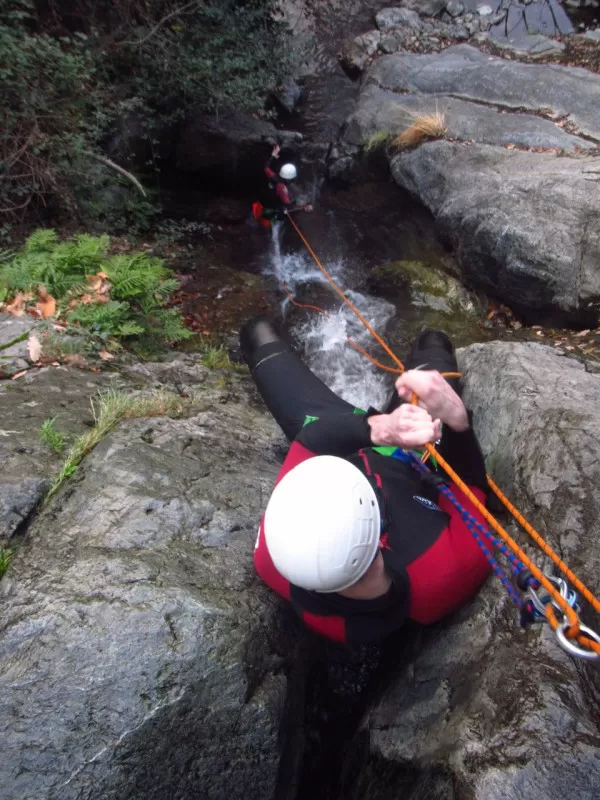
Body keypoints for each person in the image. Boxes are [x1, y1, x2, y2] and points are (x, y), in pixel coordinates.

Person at [240, 318, 491, 644]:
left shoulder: (276, 551)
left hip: (354, 434)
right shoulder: (442, 575)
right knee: (434, 343)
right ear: (378, 524)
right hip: (418, 459)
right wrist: (457, 421)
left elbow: (311, 440)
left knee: (258, 332)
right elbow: (470, 487)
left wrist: (380, 429)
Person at [252, 144, 313, 229]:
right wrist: (304, 207)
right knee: (284, 209)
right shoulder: (282, 188)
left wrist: (273, 155)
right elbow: (288, 207)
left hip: (258, 206)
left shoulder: (272, 176)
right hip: (267, 215)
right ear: (290, 179)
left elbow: (266, 167)